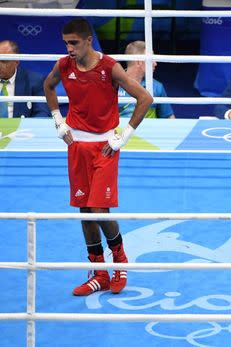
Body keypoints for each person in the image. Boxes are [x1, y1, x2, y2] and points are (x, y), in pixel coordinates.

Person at [43, 19, 153, 296]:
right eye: (66, 42)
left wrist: (123, 135)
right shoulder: (64, 65)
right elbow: (48, 86)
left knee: (99, 209)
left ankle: (120, 260)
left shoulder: (109, 67)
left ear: (88, 40)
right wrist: (59, 121)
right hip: (77, 146)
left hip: (105, 147)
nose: (69, 48)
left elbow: (145, 98)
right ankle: (99, 273)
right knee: (84, 211)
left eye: (74, 43)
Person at [119, 40, 175, 119]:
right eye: (151, 60)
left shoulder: (157, 87)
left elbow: (170, 119)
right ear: (139, 62)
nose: (155, 63)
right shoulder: (113, 84)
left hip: (149, 130)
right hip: (119, 131)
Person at [0, 40, 50, 118]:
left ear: (16, 62)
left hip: (22, 129)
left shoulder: (35, 81)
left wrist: (28, 128)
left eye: (4, 61)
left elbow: (42, 113)